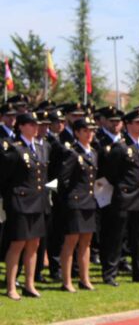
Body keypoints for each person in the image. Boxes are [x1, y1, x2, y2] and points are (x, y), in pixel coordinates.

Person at [101, 108, 139, 286]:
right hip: (124, 197)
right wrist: (123, 188)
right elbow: (111, 174)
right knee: (117, 237)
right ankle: (110, 273)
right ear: (128, 125)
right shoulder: (121, 146)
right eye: (137, 123)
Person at [0, 112, 51, 300]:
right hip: (20, 202)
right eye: (30, 124)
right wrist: (10, 198)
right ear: (20, 126)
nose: (35, 127)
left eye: (36, 124)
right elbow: (4, 178)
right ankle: (11, 285)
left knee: (34, 243)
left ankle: (30, 284)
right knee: (17, 243)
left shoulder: (41, 147)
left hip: (38, 201)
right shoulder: (14, 149)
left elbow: (44, 176)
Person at [57, 117, 99, 292]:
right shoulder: (73, 153)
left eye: (91, 130)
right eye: (85, 131)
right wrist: (69, 199)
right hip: (75, 202)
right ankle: (67, 281)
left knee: (86, 241)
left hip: (89, 201)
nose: (89, 134)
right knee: (71, 241)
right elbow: (63, 179)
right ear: (77, 133)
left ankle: (85, 279)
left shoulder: (93, 153)